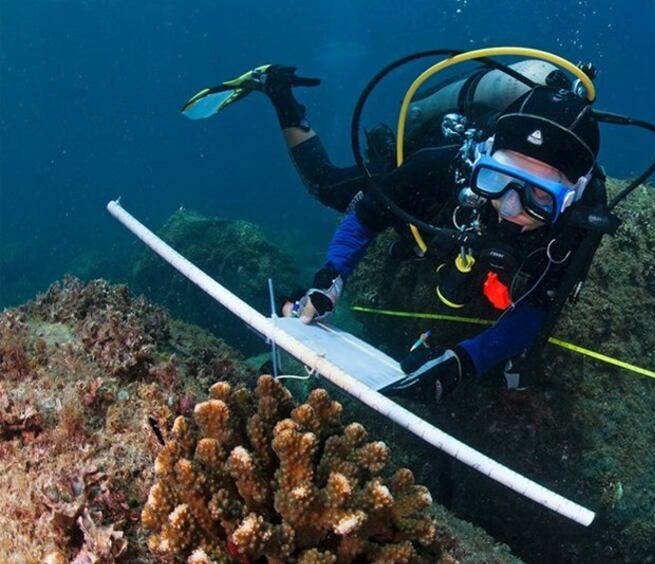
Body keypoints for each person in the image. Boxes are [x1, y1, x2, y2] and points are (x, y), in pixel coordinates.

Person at [193, 62, 614, 403]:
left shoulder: (577, 227)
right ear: (478, 161)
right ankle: (276, 88)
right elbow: (365, 216)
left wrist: (463, 362)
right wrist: (330, 279)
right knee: (324, 184)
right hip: (419, 173)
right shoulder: (441, 166)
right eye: (496, 179)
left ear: (572, 198)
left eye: (539, 196)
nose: (509, 206)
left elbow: (539, 308)